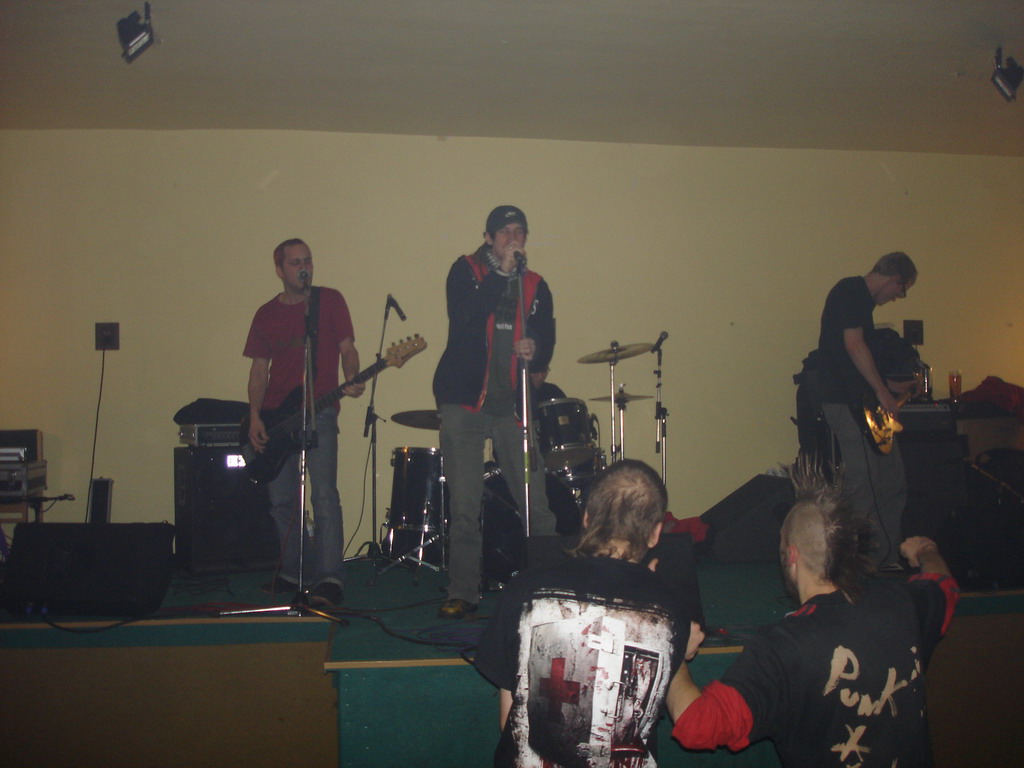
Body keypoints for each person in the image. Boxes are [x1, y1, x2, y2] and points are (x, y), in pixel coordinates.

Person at [666, 460, 959, 768]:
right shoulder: (903, 603)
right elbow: (944, 586)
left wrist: (673, 650)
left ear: (791, 556)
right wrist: (926, 549)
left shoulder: (783, 647)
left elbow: (697, 726)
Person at [475, 459, 702, 768]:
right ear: (655, 533)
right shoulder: (671, 607)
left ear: (586, 519)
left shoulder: (524, 589)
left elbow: (510, 721)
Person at [432, 205, 557, 619]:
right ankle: (463, 592)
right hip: (465, 402)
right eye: (504, 232)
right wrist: (501, 273)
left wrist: (535, 349)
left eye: (519, 231)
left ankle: (549, 588)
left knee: (536, 503)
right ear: (488, 238)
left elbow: (546, 337)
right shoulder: (465, 271)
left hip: (513, 408)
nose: (513, 238)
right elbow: (465, 320)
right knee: (465, 506)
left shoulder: (535, 284)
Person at [243, 237, 364, 608]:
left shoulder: (330, 301)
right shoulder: (266, 314)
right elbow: (259, 369)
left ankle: (330, 578)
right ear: (280, 270)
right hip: (276, 417)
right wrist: (254, 416)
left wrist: (352, 376)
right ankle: (296, 572)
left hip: (319, 411)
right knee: (281, 500)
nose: (303, 267)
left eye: (307, 260)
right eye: (295, 262)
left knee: (324, 494)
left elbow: (348, 349)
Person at [815, 251, 919, 567]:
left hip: (863, 402)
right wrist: (882, 391)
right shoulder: (851, 291)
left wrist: (889, 386)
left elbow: (856, 358)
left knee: (891, 479)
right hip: (845, 401)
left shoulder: (859, 300)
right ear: (895, 279)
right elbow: (853, 345)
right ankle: (855, 562)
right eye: (901, 290)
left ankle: (884, 558)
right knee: (865, 482)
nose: (897, 297)